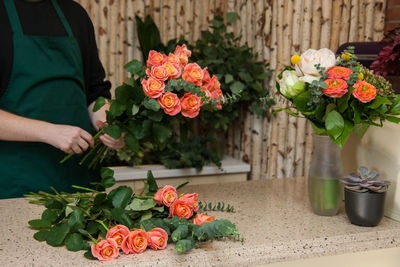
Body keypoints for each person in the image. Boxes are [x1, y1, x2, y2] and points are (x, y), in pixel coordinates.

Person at [0, 0, 125, 199]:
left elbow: (94, 94)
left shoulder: (75, 14)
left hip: (80, 180)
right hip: (15, 184)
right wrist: (49, 132)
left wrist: (110, 126)